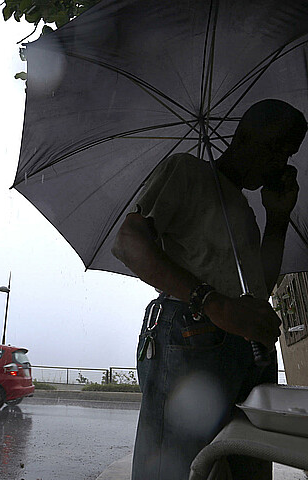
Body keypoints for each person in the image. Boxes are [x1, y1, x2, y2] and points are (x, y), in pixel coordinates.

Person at [111, 99, 307, 480]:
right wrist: (211, 302)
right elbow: (129, 241)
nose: (281, 163)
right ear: (244, 136)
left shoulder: (245, 211)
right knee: (174, 467)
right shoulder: (188, 171)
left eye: (289, 153)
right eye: (276, 148)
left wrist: (278, 220)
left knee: (244, 462)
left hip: (245, 347)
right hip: (194, 335)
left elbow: (259, 289)